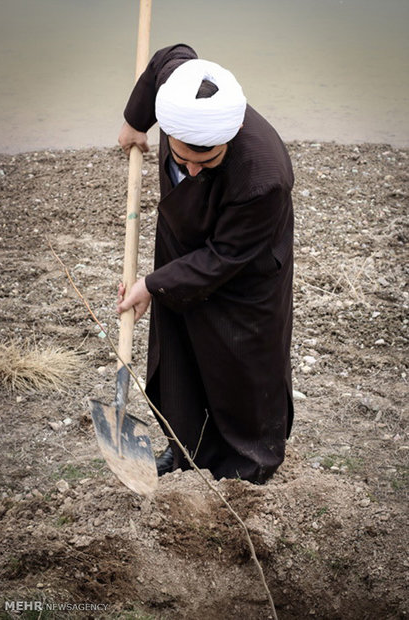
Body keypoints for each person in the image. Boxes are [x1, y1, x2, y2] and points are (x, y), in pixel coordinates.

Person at [117, 44, 294, 484]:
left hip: (245, 272)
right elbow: (167, 57)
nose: (193, 170)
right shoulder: (180, 92)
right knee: (179, 353)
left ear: (228, 138)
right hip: (182, 240)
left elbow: (225, 256)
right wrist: (135, 121)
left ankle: (246, 468)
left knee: (241, 363)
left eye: (207, 160)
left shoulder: (263, 175)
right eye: (182, 159)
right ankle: (187, 452)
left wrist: (152, 286)